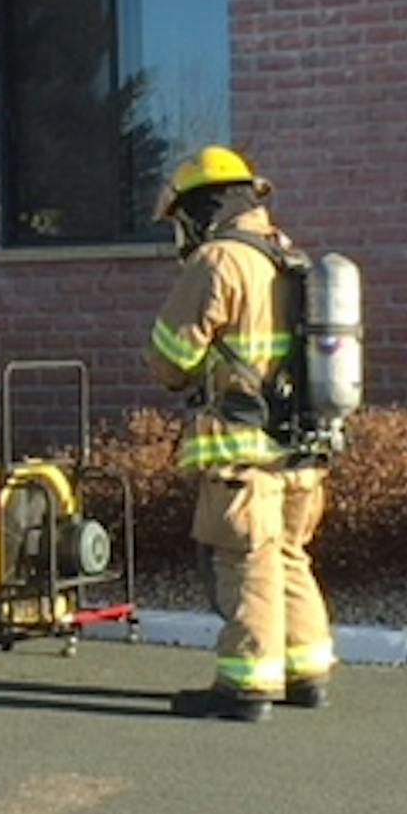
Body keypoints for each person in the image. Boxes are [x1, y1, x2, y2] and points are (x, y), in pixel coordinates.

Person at [146, 146, 334, 721]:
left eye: (183, 219)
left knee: (245, 562)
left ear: (202, 211)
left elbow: (172, 359)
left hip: (241, 452)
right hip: (300, 452)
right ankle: (307, 673)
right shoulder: (287, 256)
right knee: (288, 557)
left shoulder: (219, 261)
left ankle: (246, 685)